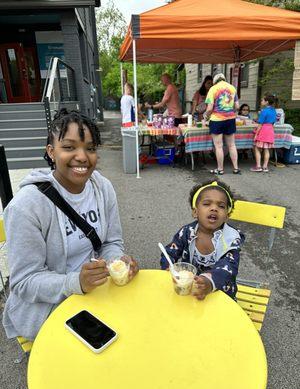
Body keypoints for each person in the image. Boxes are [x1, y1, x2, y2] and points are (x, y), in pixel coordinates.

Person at [2, 109, 138, 340]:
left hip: (95, 293)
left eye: (91, 148)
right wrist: (75, 282)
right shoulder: (26, 207)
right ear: (51, 151)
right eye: (69, 147)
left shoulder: (102, 188)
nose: (83, 156)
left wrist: (117, 261)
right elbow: (24, 282)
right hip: (49, 309)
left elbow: (111, 242)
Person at [160, 180, 244, 300]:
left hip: (221, 293)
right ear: (195, 212)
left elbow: (228, 268)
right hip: (190, 290)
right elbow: (169, 252)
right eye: (207, 204)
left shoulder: (230, 239)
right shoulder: (187, 232)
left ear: (227, 215)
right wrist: (169, 267)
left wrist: (209, 282)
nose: (214, 208)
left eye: (221, 206)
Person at [204, 73, 240, 175]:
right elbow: (237, 106)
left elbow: (210, 108)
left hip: (217, 120)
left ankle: (220, 169)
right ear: (224, 79)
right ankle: (236, 168)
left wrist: (206, 115)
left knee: (218, 146)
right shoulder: (232, 88)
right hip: (230, 119)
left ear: (215, 81)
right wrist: (229, 111)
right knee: (232, 145)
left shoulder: (213, 89)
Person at [250, 94, 277, 173]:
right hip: (270, 130)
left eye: (262, 100)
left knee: (257, 148)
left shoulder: (264, 111)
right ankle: (265, 167)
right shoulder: (274, 110)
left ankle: (258, 166)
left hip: (263, 130)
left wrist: (256, 134)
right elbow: (273, 122)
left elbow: (260, 124)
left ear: (266, 102)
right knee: (266, 149)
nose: (261, 101)